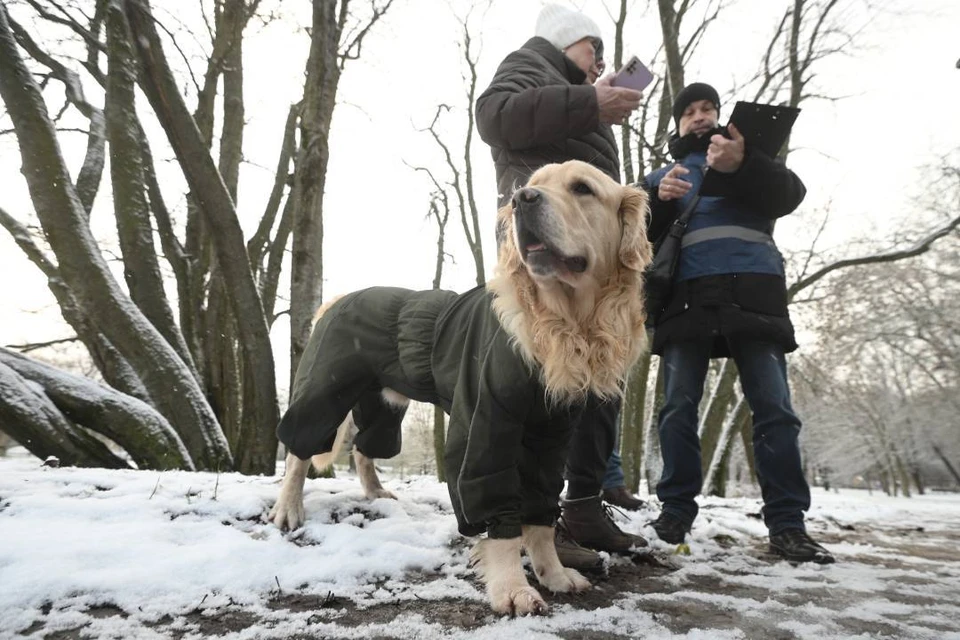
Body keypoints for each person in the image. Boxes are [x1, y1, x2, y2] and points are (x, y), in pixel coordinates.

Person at [475, 4, 646, 569]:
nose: (599, 64)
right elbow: (494, 116)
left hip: (591, 262)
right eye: (592, 51)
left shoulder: (577, 93)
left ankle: (584, 507)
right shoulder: (529, 63)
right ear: (565, 42)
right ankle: (533, 523)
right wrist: (590, 102)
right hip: (544, 260)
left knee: (596, 394)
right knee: (535, 398)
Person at [642, 82, 834, 564]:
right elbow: (635, 239)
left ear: (719, 114)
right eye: (689, 111)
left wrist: (743, 164)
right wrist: (659, 202)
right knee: (676, 409)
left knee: (774, 411)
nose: (700, 116)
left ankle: (788, 526)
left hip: (755, 295)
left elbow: (790, 195)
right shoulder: (660, 176)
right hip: (685, 302)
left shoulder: (750, 156)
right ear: (678, 123)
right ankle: (674, 517)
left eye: (708, 107)